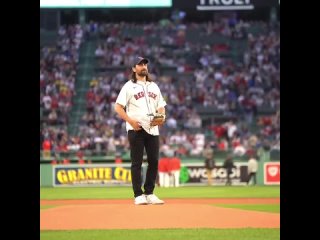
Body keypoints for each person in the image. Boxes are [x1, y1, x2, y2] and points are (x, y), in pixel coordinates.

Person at [114, 57, 166, 205]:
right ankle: (138, 195)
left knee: (154, 162)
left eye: (145, 64)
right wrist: (130, 121)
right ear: (133, 68)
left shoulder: (154, 86)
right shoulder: (129, 86)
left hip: (153, 128)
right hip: (136, 128)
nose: (144, 66)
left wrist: (161, 116)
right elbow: (118, 107)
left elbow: (161, 105)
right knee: (136, 162)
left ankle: (149, 193)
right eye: (140, 64)